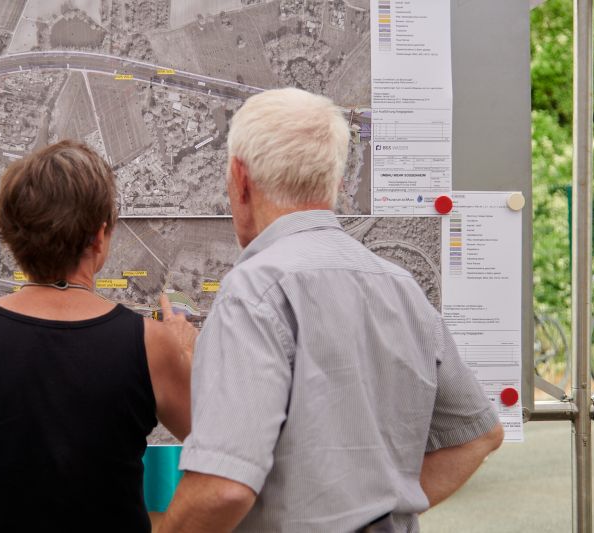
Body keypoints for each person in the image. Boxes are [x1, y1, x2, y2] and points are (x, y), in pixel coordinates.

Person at [158, 88, 504, 533]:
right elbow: (479, 435)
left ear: (240, 179)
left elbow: (224, 488)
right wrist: (374, 512)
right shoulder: (401, 287)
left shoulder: (253, 292)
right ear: (336, 184)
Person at [0, 140, 194, 532]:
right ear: (100, 237)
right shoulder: (151, 344)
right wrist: (186, 355)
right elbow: (221, 455)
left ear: (11, 237)